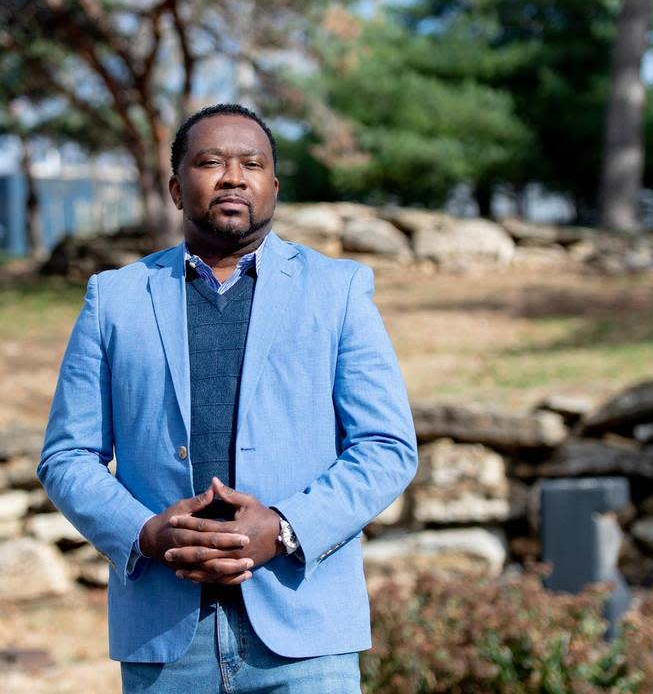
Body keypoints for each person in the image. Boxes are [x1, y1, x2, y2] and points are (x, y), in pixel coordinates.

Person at [38, 103, 417, 693]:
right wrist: (145, 534)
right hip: (165, 638)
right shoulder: (114, 299)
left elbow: (386, 446)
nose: (233, 176)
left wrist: (287, 527)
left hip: (305, 633)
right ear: (175, 187)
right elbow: (66, 456)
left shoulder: (337, 290)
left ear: (273, 185)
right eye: (210, 162)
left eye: (252, 163)